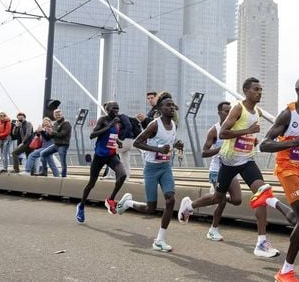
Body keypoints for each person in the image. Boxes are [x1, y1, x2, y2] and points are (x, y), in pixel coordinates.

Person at [177, 77, 296, 259]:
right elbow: (223, 133)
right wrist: (247, 132)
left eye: (261, 89)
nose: (260, 92)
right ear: (246, 91)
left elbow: (260, 132)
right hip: (229, 161)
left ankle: (262, 243)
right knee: (218, 197)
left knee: (261, 193)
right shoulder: (238, 108)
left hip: (247, 160)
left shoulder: (257, 112)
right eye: (256, 89)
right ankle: (190, 205)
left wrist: (252, 140)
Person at [260, 76, 299, 282]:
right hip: (287, 169)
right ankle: (285, 271)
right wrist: (293, 142)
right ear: (298, 91)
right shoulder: (288, 114)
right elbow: (264, 144)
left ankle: (270, 200)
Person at [115, 94, 184, 252]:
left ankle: (160, 240)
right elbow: (137, 142)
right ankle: (128, 203)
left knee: (170, 200)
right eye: (167, 105)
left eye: (172, 105)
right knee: (150, 209)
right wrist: (158, 149)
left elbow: (168, 141)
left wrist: (176, 143)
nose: (171, 108)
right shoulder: (154, 125)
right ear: (160, 109)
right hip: (152, 169)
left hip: (165, 167)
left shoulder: (173, 124)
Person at [75, 101, 127, 223]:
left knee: (122, 175)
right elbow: (92, 135)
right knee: (91, 184)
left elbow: (111, 136)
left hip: (111, 155)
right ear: (107, 109)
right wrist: (108, 126)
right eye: (114, 108)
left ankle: (111, 199)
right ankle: (81, 206)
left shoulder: (118, 122)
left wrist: (118, 141)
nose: (116, 110)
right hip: (99, 156)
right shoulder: (103, 120)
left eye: (118, 108)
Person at [200, 101, 242, 242]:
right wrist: (220, 150)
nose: (229, 113)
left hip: (231, 169)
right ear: (219, 113)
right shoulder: (214, 130)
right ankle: (213, 230)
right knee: (221, 201)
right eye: (226, 111)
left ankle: (193, 203)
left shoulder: (236, 128)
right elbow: (204, 153)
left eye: (230, 110)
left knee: (237, 200)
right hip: (217, 170)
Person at [40, 109, 72, 177]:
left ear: (61, 114)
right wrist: (44, 132)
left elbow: (63, 134)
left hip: (63, 145)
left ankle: (63, 176)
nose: (57, 116)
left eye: (59, 114)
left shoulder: (66, 123)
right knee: (43, 153)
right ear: (54, 116)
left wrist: (52, 132)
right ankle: (44, 172)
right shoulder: (55, 123)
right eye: (56, 115)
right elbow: (50, 137)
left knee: (62, 162)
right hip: (56, 144)